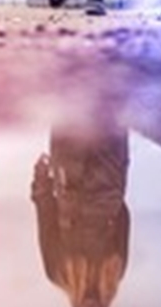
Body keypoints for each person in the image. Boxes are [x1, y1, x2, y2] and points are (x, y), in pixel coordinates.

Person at [31, 119, 131, 307]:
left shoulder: (57, 273)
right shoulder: (116, 273)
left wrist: (41, 177)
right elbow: (123, 217)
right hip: (107, 179)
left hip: (72, 174)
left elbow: (45, 216)